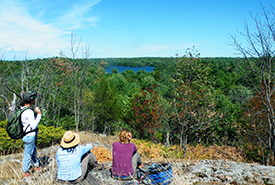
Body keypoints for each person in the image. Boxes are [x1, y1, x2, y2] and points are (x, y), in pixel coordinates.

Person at [21, 91, 42, 177]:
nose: (35, 99)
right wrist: (39, 114)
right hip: (30, 135)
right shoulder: (29, 111)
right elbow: (33, 125)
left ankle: (36, 165)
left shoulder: (22, 109)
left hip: (26, 134)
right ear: (31, 100)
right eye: (34, 98)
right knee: (28, 153)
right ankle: (25, 171)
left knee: (32, 150)